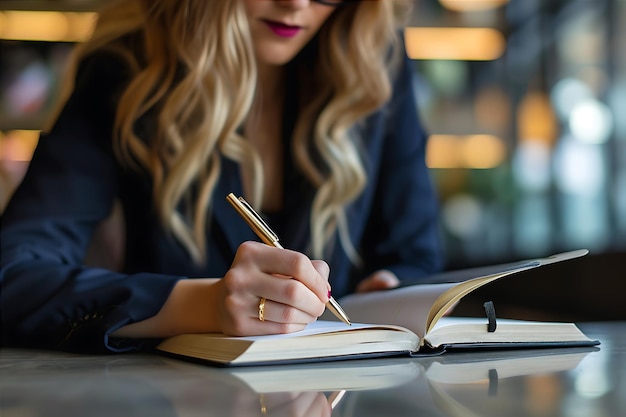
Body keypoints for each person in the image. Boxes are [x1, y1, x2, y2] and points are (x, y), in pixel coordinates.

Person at [0, 0, 442, 353]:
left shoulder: (372, 64)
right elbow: (14, 276)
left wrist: (391, 289)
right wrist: (200, 305)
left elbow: (415, 257)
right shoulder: (128, 70)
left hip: (340, 394)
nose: (295, 4)